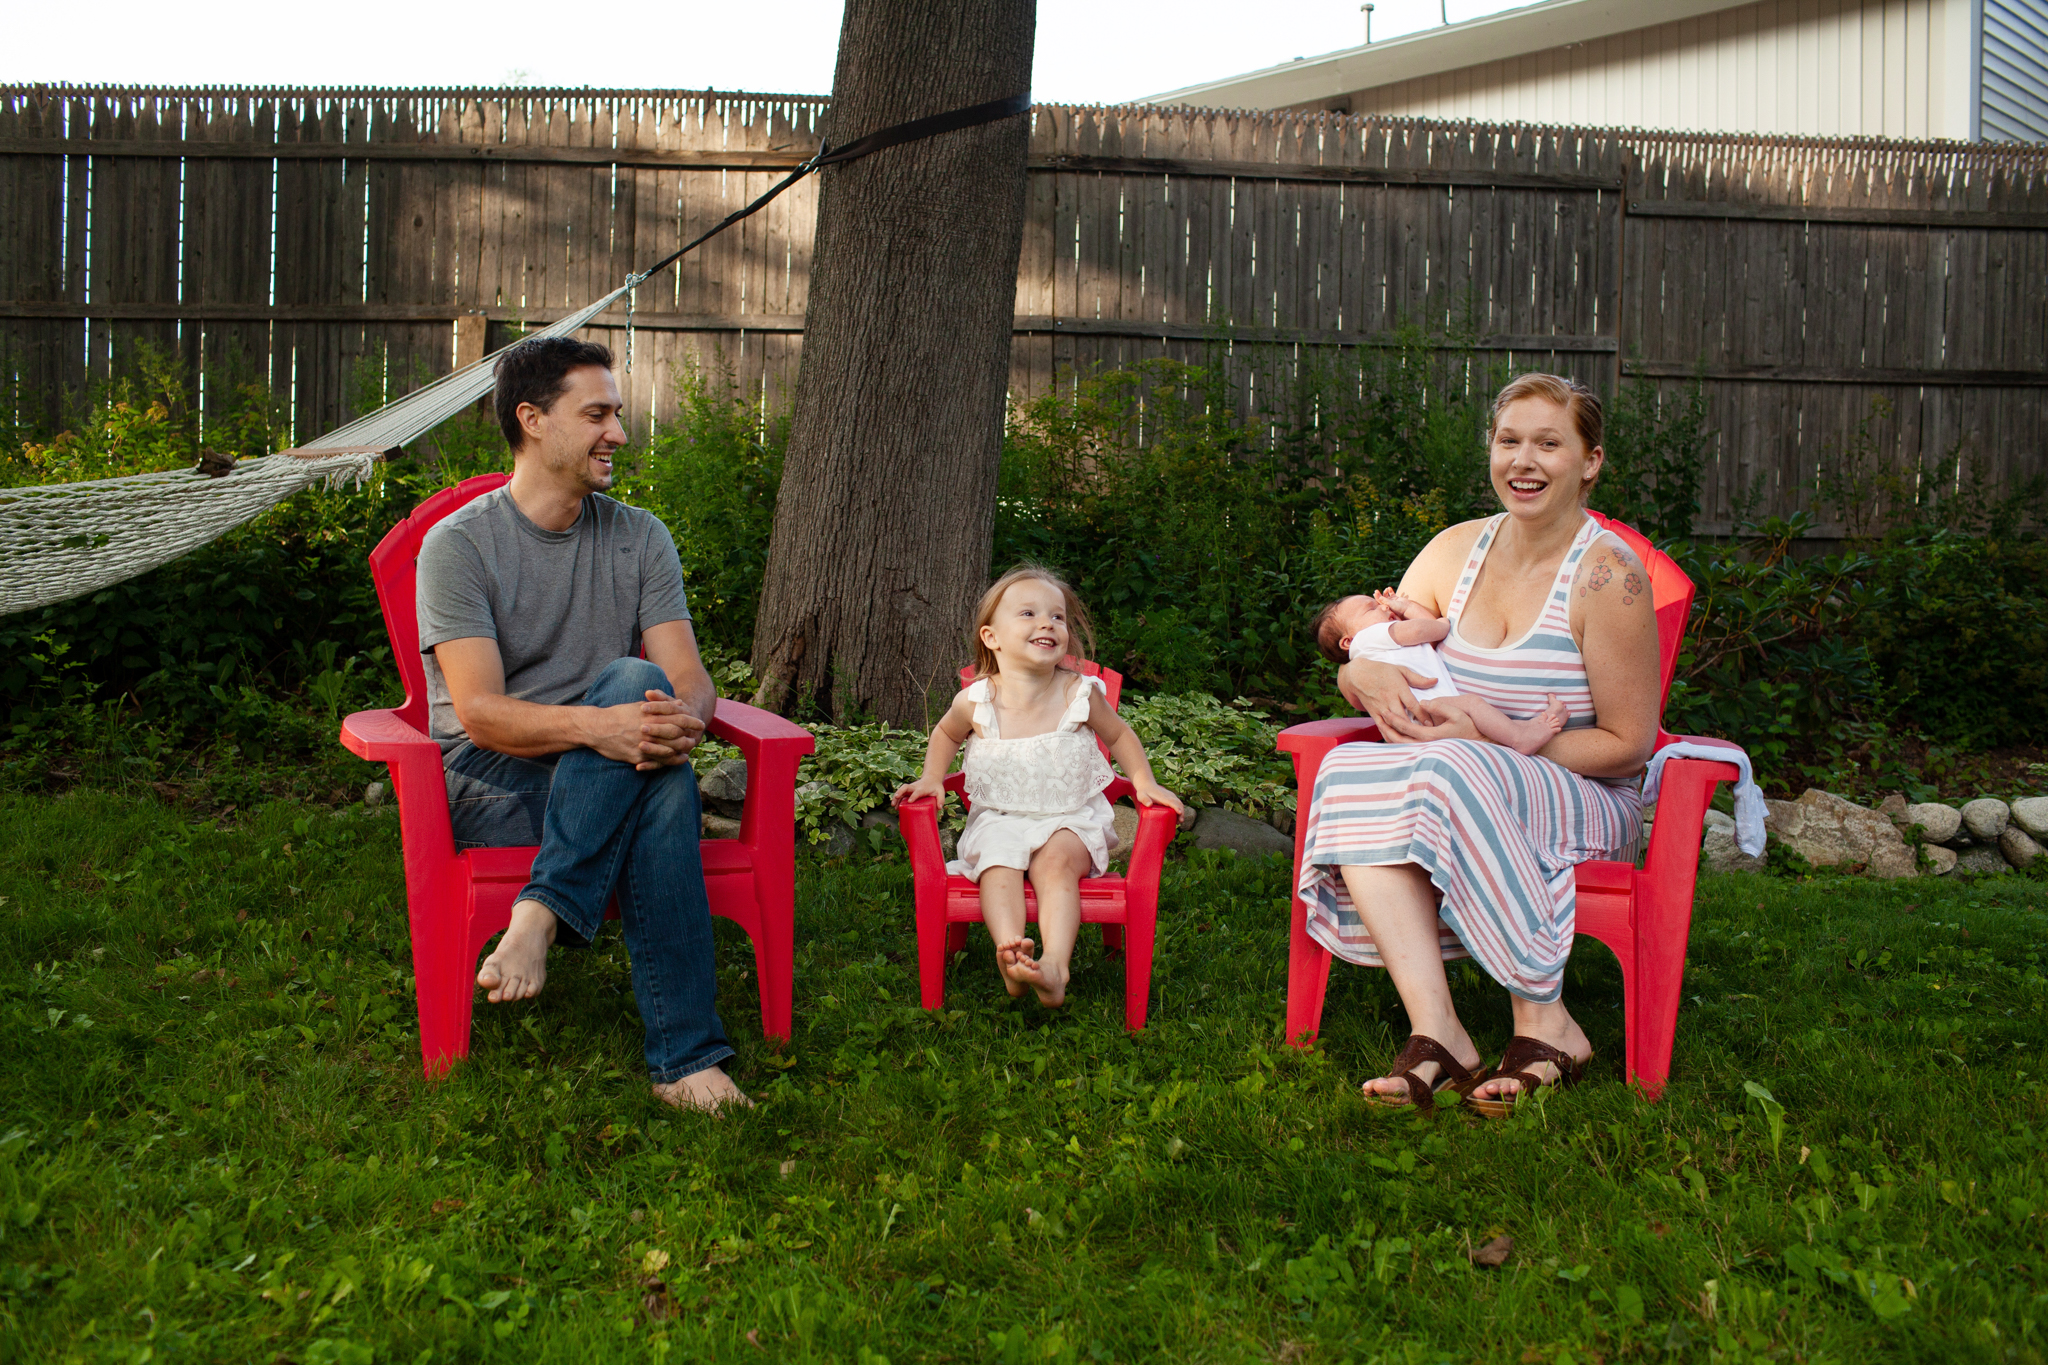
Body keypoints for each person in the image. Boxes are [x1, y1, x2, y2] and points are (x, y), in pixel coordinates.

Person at [1296, 373, 1661, 1117]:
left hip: (1587, 799)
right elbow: (1388, 656)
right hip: (1457, 777)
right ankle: (1439, 1030)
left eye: (1548, 443)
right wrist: (1357, 673)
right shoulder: (1451, 552)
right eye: (1509, 441)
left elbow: (1630, 744)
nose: (1523, 460)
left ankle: (1546, 1022)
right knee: (1351, 765)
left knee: (1451, 762)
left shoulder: (1608, 578)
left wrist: (1494, 752)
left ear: (1590, 461)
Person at [414, 335, 748, 1112]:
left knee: (649, 711)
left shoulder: (640, 536)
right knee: (649, 746)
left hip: (613, 764)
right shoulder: (457, 545)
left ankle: (537, 915)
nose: (619, 434)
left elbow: (689, 679)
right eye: (596, 414)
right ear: (532, 419)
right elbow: (482, 715)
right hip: (492, 776)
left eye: (617, 414)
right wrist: (607, 731)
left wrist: (679, 725)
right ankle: (686, 1059)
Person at [891, 566, 1188, 1007]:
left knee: (1055, 865)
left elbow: (1119, 736)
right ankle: (1011, 953)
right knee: (997, 862)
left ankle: (1054, 968)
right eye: (1028, 613)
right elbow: (946, 735)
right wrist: (933, 777)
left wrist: (1144, 781)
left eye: (1058, 616)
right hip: (1000, 817)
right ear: (992, 638)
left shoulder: (1079, 694)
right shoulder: (975, 700)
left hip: (1070, 818)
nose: (1047, 623)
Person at [1310, 590, 1568, 756]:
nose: (1383, 607)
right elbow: (1426, 630)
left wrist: (1406, 608)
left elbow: (1423, 634)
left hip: (1417, 718)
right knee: (1473, 704)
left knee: (1477, 715)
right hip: (1428, 707)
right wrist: (1440, 623)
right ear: (1348, 641)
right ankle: (1520, 737)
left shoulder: (1378, 646)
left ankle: (1533, 726)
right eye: (1371, 608)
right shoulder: (1371, 637)